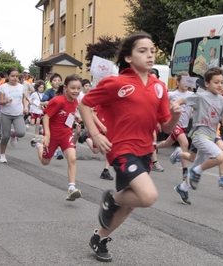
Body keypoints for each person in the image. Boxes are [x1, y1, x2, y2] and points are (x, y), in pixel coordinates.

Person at [79, 31, 181, 262]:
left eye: (152, 51)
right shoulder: (116, 83)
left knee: (130, 205)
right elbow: (84, 104)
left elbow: (165, 125)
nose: (150, 55)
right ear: (128, 57)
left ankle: (100, 238)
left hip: (146, 150)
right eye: (142, 51)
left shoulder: (159, 87)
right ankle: (112, 199)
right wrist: (94, 134)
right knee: (147, 196)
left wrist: (175, 116)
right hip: (122, 149)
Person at [171, 67, 223, 205]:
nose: (220, 85)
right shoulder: (200, 97)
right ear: (207, 84)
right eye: (216, 82)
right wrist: (175, 105)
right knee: (220, 157)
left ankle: (182, 188)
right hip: (199, 135)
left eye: (222, 82)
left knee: (197, 162)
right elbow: (182, 100)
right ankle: (196, 172)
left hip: (211, 136)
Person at [31, 74, 82, 201]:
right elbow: (47, 116)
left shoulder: (75, 101)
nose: (76, 91)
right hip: (52, 135)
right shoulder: (57, 100)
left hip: (65, 134)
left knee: (72, 158)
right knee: (45, 162)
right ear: (65, 88)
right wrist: (47, 135)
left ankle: (71, 188)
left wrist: (75, 115)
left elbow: (67, 112)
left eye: (78, 88)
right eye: (73, 88)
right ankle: (39, 144)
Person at [156, 71, 193, 179]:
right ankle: (185, 171)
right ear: (177, 82)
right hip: (174, 124)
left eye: (189, 81)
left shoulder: (192, 95)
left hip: (184, 125)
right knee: (184, 143)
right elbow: (162, 109)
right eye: (184, 81)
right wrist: (159, 122)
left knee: (167, 144)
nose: (187, 83)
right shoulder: (171, 95)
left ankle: (153, 147)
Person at [0, 67, 29, 163]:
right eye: (12, 76)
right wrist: (6, 101)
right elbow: (0, 101)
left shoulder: (21, 87)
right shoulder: (3, 87)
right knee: (5, 137)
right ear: (8, 76)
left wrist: (25, 107)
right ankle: (2, 155)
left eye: (16, 76)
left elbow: (24, 98)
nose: (15, 78)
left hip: (18, 114)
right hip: (6, 114)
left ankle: (13, 134)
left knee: (21, 133)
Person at [41, 72, 65, 160]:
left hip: (62, 116)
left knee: (61, 133)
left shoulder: (64, 92)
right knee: (51, 135)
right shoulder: (49, 92)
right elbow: (43, 102)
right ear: (51, 83)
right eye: (55, 80)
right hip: (51, 116)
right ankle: (41, 145)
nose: (57, 82)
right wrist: (54, 103)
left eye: (59, 80)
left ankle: (59, 151)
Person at [148, 68, 164, 172]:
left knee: (152, 139)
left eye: (154, 79)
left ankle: (151, 161)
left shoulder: (160, 89)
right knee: (152, 137)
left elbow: (161, 107)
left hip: (154, 118)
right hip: (144, 119)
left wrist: (159, 121)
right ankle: (154, 162)